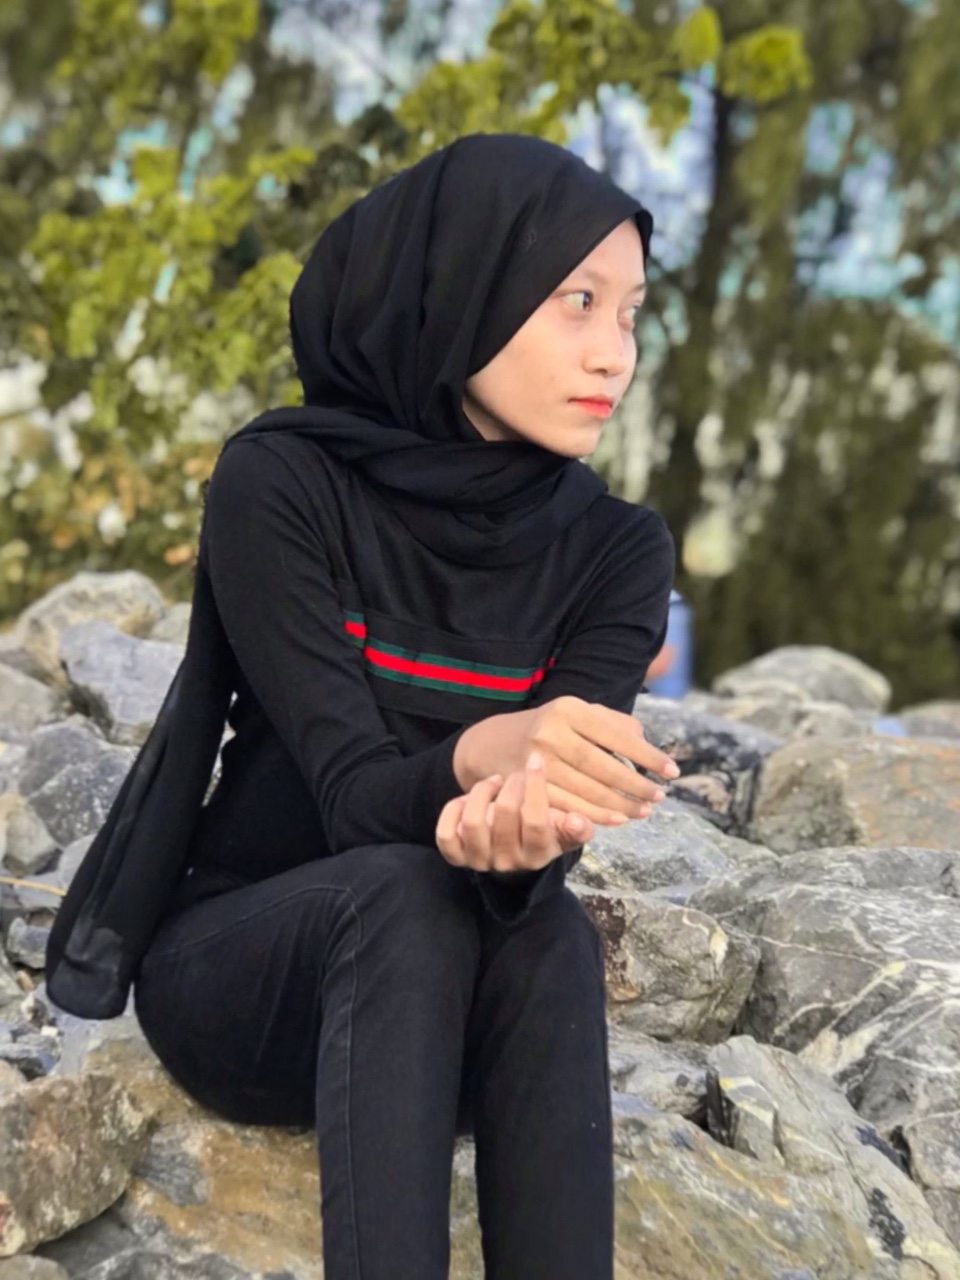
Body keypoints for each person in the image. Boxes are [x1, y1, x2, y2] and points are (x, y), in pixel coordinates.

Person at [129, 132, 678, 1280]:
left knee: (549, 934)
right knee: (406, 891)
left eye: (631, 313)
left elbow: (541, 839)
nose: (614, 353)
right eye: (578, 301)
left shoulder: (616, 549)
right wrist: (484, 752)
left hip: (462, 1012)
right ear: (463, 284)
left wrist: (526, 834)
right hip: (249, 977)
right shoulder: (281, 482)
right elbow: (351, 796)